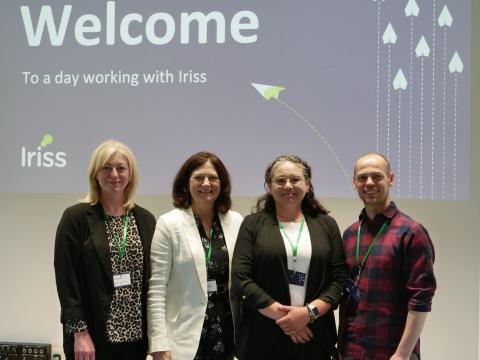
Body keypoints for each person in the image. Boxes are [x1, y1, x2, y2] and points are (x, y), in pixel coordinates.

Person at [231, 155, 347, 360]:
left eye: (295, 180)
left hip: (314, 336)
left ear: (308, 184)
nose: (288, 185)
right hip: (262, 338)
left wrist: (307, 315)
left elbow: (338, 280)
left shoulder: (327, 225)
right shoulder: (252, 224)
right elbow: (241, 278)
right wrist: (288, 319)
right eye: (280, 180)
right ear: (269, 186)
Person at [54, 140, 156, 360]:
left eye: (121, 168)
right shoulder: (76, 218)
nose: (114, 174)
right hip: (92, 339)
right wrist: (80, 333)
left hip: (136, 340)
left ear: (131, 174)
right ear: (95, 174)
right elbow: (66, 279)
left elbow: (154, 281)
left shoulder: (145, 220)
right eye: (106, 168)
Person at [338, 152, 437, 360]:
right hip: (351, 351)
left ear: (390, 179)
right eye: (362, 178)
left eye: (377, 176)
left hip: (392, 353)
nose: (369, 183)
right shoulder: (349, 235)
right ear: (354, 182)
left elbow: (421, 298)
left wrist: (403, 353)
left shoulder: (411, 232)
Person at [148, 151, 243, 360]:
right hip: (184, 336)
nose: (206, 183)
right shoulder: (169, 224)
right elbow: (156, 289)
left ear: (222, 183)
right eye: (199, 177)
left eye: (213, 178)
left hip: (227, 331)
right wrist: (159, 344)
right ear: (186, 182)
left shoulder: (236, 221)